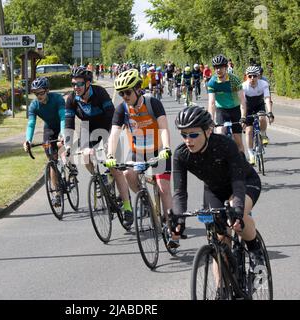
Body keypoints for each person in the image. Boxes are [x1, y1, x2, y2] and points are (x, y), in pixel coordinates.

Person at [171, 106, 264, 270]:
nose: (188, 140)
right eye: (184, 135)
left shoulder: (225, 145)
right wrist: (179, 219)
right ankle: (221, 290)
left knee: (237, 214)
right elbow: (179, 191)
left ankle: (254, 249)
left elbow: (237, 181)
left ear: (208, 131)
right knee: (219, 240)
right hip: (214, 190)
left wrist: (237, 209)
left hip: (244, 182)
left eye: (193, 134)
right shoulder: (181, 154)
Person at [105, 69, 173, 241]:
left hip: (159, 151)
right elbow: (114, 134)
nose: (124, 96)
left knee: (163, 187)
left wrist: (166, 147)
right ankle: (144, 200)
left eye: (127, 92)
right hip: (138, 152)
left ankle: (172, 229)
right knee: (128, 173)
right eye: (121, 93)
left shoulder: (152, 103)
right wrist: (110, 155)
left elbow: (164, 127)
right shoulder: (122, 109)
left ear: (138, 88)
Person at [23, 77, 66, 206]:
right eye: (36, 94)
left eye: (41, 93)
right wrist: (28, 140)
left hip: (63, 124)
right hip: (49, 129)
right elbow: (31, 124)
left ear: (47, 90)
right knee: (52, 160)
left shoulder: (57, 99)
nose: (39, 96)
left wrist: (63, 133)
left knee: (63, 147)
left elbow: (63, 117)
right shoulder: (34, 105)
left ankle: (69, 166)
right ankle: (57, 194)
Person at [64, 66, 115, 174]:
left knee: (110, 154)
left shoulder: (100, 92)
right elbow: (69, 123)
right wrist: (68, 145)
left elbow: (111, 115)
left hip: (106, 124)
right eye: (73, 84)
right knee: (85, 156)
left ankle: (112, 174)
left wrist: (109, 141)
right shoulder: (71, 99)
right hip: (87, 127)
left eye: (79, 84)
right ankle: (98, 177)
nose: (76, 87)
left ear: (87, 84)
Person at [207, 54, 247, 153]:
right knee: (220, 133)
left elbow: (242, 100)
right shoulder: (212, 82)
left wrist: (243, 117)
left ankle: (242, 162)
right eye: (216, 67)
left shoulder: (234, 80)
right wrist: (210, 120)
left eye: (220, 67)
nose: (218, 70)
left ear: (225, 67)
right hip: (221, 109)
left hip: (235, 108)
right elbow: (211, 103)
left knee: (238, 141)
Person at [243, 66, 274, 164]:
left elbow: (267, 99)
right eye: (250, 76)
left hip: (259, 104)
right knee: (248, 131)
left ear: (258, 76)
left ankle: (263, 134)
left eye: (255, 76)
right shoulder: (243, 86)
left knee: (262, 117)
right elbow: (242, 104)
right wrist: (243, 117)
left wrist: (270, 112)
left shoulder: (263, 84)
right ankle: (251, 154)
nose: (252, 78)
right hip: (248, 107)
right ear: (246, 76)